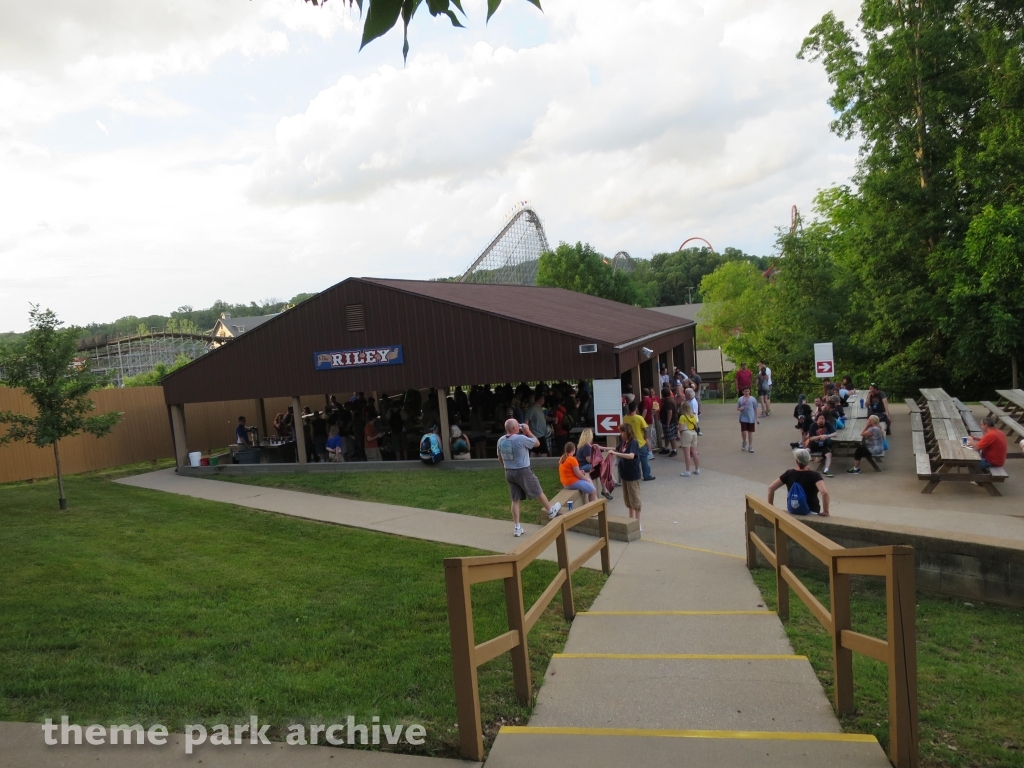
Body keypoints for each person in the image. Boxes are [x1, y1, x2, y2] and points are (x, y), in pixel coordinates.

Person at [496, 419, 561, 537]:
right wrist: (528, 431)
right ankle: (550, 511)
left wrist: (506, 467)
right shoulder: (520, 438)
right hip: (523, 471)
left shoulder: (501, 440)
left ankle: (517, 527)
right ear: (515, 428)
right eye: (518, 426)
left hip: (509, 472)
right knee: (538, 490)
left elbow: (499, 457)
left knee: (515, 499)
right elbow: (537, 443)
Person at [767, 448, 830, 516]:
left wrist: (771, 506)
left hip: (793, 510)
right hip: (811, 510)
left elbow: (771, 488)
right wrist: (826, 511)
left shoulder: (789, 473)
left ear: (797, 461)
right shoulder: (815, 475)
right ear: (808, 460)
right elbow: (824, 492)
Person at [608, 422, 642, 530]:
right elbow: (615, 449)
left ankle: (637, 523)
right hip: (624, 474)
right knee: (628, 499)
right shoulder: (624, 442)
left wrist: (616, 454)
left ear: (627, 432)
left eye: (622, 432)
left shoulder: (633, 443)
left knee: (635, 499)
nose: (621, 434)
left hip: (632, 474)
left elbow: (631, 456)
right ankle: (630, 520)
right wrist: (601, 447)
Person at [622, 401, 654, 480]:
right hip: (640, 443)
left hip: (629, 444)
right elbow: (645, 429)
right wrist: (645, 438)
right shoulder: (639, 418)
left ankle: (634, 476)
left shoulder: (624, 418)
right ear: (635, 408)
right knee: (644, 460)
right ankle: (647, 475)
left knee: (633, 462)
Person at [677, 401, 700, 477]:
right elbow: (696, 426)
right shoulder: (694, 415)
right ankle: (697, 469)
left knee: (687, 454)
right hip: (693, 433)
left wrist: (678, 433)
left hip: (686, 433)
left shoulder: (682, 417)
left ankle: (687, 471)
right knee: (694, 452)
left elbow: (680, 428)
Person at [737, 386, 759, 452]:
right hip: (743, 417)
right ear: (743, 392)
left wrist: (757, 418)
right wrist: (740, 409)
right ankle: (744, 442)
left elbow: (755, 409)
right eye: (745, 391)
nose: (747, 392)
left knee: (750, 432)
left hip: (751, 418)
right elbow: (738, 408)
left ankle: (750, 446)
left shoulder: (753, 399)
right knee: (743, 432)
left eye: (748, 391)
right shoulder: (740, 399)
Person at [659, 386, 678, 457]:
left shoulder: (668, 402)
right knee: (667, 435)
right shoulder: (671, 399)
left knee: (671, 436)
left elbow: (670, 413)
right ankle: (666, 448)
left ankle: (674, 450)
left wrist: (668, 423)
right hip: (671, 421)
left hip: (670, 422)